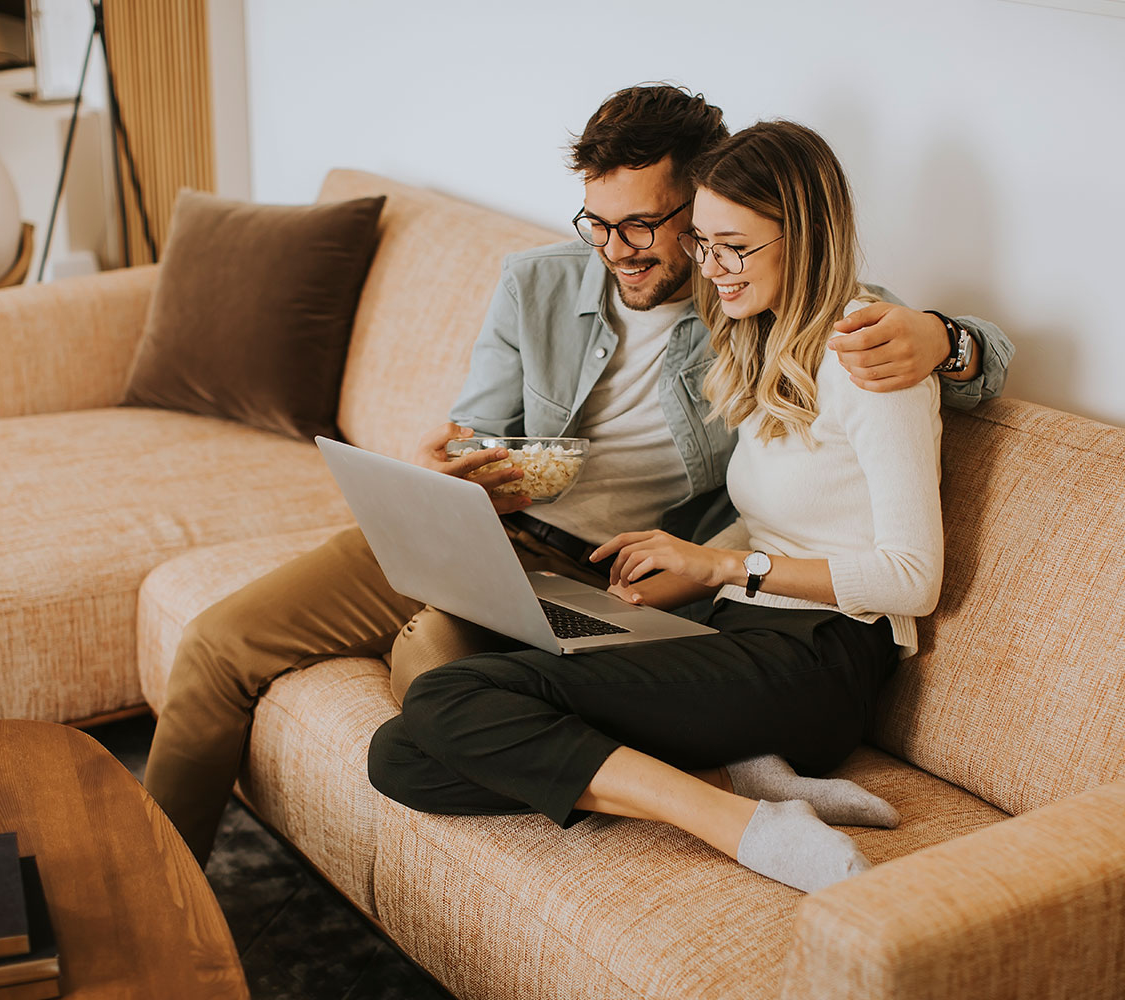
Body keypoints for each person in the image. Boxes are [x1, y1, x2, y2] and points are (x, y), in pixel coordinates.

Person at [143, 85, 1014, 867]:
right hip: (492, 534)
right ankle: (152, 892)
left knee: (434, 694)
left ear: (702, 203)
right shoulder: (539, 283)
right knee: (221, 644)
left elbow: (917, 348)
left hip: (613, 581)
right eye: (598, 224)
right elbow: (478, 425)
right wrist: (454, 469)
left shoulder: (750, 300)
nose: (619, 251)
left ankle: (703, 791)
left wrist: (945, 336)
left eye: (643, 225)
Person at [367, 119, 944, 893]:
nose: (712, 269)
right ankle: (747, 775)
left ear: (803, 235)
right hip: (734, 628)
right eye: (703, 244)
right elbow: (790, 515)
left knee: (449, 693)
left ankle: (741, 825)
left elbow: (913, 580)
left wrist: (722, 565)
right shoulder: (762, 344)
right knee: (399, 756)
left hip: (820, 658)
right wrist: (693, 578)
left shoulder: (875, 358)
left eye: (734, 246)